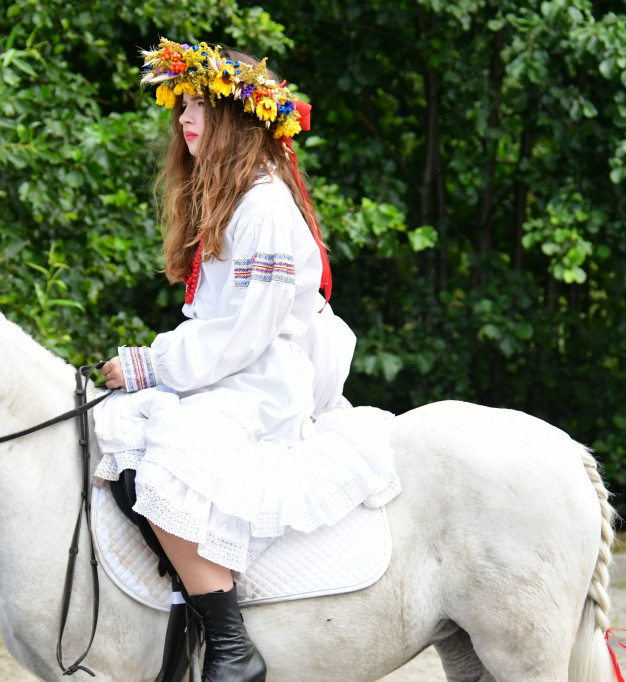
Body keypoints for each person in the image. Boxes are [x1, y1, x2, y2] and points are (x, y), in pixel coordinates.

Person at [95, 38, 401, 682]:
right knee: (118, 429)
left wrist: (151, 364)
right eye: (182, 107)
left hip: (262, 382)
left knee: (170, 459)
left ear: (237, 120)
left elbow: (247, 332)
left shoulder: (263, 206)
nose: (184, 119)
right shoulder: (230, 202)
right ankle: (186, 607)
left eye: (199, 106)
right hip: (231, 370)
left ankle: (233, 648)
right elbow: (219, 326)